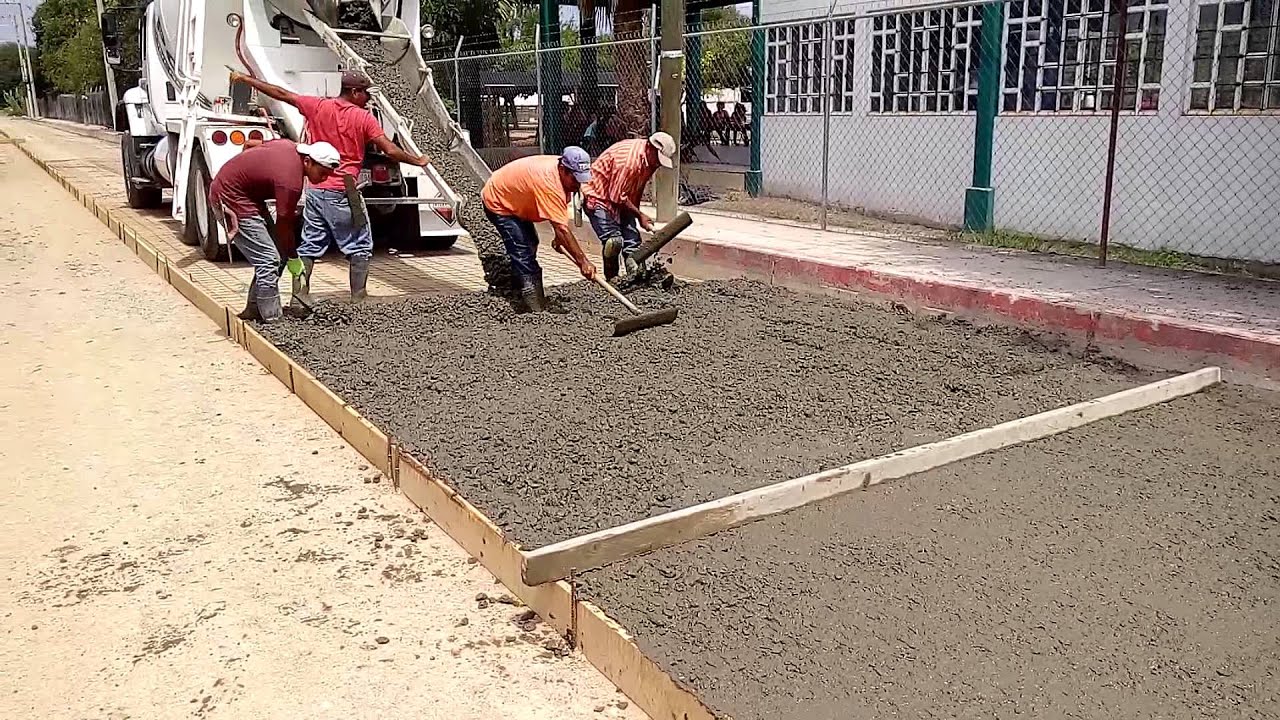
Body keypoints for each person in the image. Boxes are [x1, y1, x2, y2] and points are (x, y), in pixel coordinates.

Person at [228, 69, 429, 302]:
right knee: (360, 245)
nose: (368, 99)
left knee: (310, 245)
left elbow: (281, 94)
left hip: (315, 188)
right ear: (354, 92)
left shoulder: (318, 106)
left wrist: (244, 79)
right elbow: (390, 150)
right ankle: (359, 297)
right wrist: (418, 160)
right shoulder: (364, 118)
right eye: (365, 94)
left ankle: (299, 296)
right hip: (344, 189)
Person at [208, 139, 341, 322]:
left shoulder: (288, 146)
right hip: (230, 198)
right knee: (269, 260)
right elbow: (284, 225)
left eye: (329, 175)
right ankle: (273, 320)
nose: (324, 178)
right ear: (307, 161)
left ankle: (254, 310)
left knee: (278, 254)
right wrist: (294, 259)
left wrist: (246, 173)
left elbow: (250, 144)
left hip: (247, 196)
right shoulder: (291, 182)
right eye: (323, 173)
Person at [481, 147, 597, 312]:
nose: (578, 184)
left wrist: (560, 239)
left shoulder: (563, 171)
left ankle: (517, 287)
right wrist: (583, 262)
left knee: (531, 242)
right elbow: (562, 229)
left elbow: (559, 222)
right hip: (499, 201)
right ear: (563, 170)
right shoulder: (550, 183)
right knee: (523, 251)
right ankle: (534, 309)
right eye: (575, 179)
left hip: (517, 199)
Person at [581, 132, 676, 279]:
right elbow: (617, 196)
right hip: (598, 195)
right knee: (614, 242)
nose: (658, 165)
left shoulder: (648, 161)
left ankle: (637, 279)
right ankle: (613, 281)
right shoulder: (628, 162)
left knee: (633, 241)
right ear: (651, 148)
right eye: (658, 160)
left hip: (619, 197)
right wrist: (640, 215)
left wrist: (638, 216)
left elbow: (635, 190)